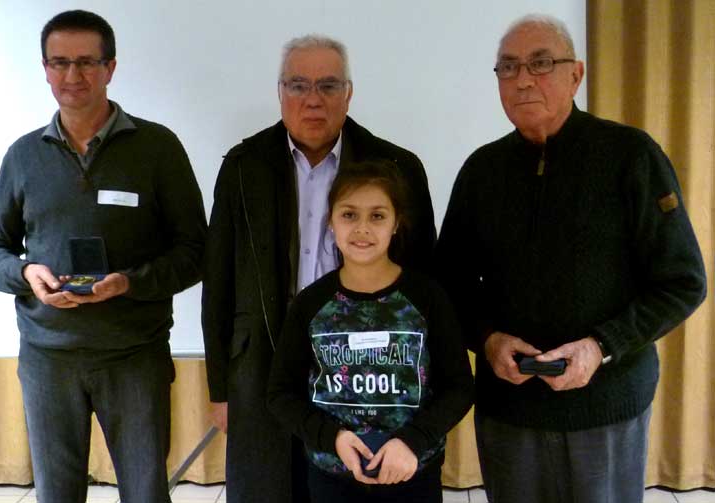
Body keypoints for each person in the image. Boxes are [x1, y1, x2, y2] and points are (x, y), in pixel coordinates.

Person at [435, 13, 707, 503]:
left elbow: (682, 281)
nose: (523, 79)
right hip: (510, 411)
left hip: (605, 408)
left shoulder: (630, 156)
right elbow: (448, 282)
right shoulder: (481, 171)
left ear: (576, 75)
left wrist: (601, 347)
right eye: (508, 67)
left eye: (540, 63)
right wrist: (487, 339)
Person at [0, 10, 206, 503]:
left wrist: (130, 282)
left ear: (110, 68)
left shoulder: (157, 148)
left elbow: (195, 252)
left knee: (145, 493)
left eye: (86, 62)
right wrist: (26, 273)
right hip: (47, 360)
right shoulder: (23, 156)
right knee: (56, 495)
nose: (72, 75)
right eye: (59, 62)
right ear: (45, 68)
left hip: (134, 355)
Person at [202, 35, 437, 503]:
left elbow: (425, 284)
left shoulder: (396, 167)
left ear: (349, 94)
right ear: (280, 92)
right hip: (263, 367)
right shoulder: (243, 166)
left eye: (328, 86)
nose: (313, 100)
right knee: (268, 488)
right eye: (298, 85)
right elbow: (220, 279)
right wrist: (220, 389)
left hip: (367, 374)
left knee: (344, 489)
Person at [267, 160, 473, 503]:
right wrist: (332, 438)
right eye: (349, 214)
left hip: (412, 473)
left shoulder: (427, 298)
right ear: (331, 221)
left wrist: (412, 441)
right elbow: (280, 394)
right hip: (332, 475)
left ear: (396, 223)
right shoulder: (310, 304)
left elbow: (459, 388)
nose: (362, 228)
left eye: (377, 216)